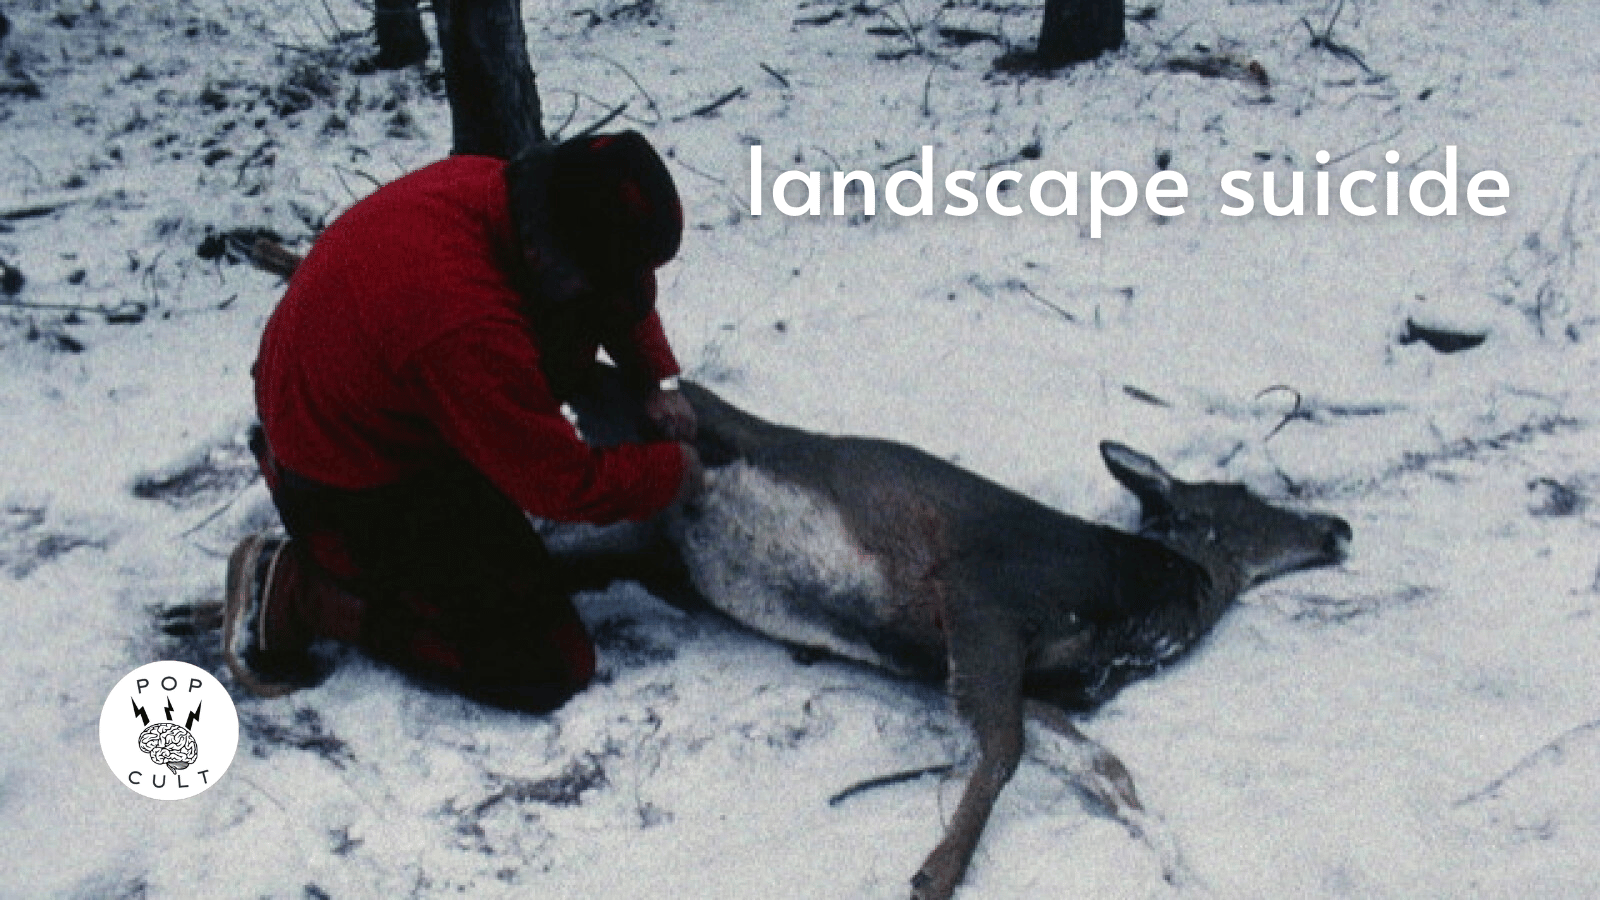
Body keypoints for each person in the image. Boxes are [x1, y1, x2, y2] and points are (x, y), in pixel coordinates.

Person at [224, 131, 703, 712]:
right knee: (545, 661)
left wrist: (655, 378)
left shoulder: (510, 192)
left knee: (564, 319)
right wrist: (670, 474)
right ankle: (303, 592)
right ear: (548, 254)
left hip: (366, 396)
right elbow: (559, 485)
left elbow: (613, 287)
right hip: (348, 474)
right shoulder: (465, 323)